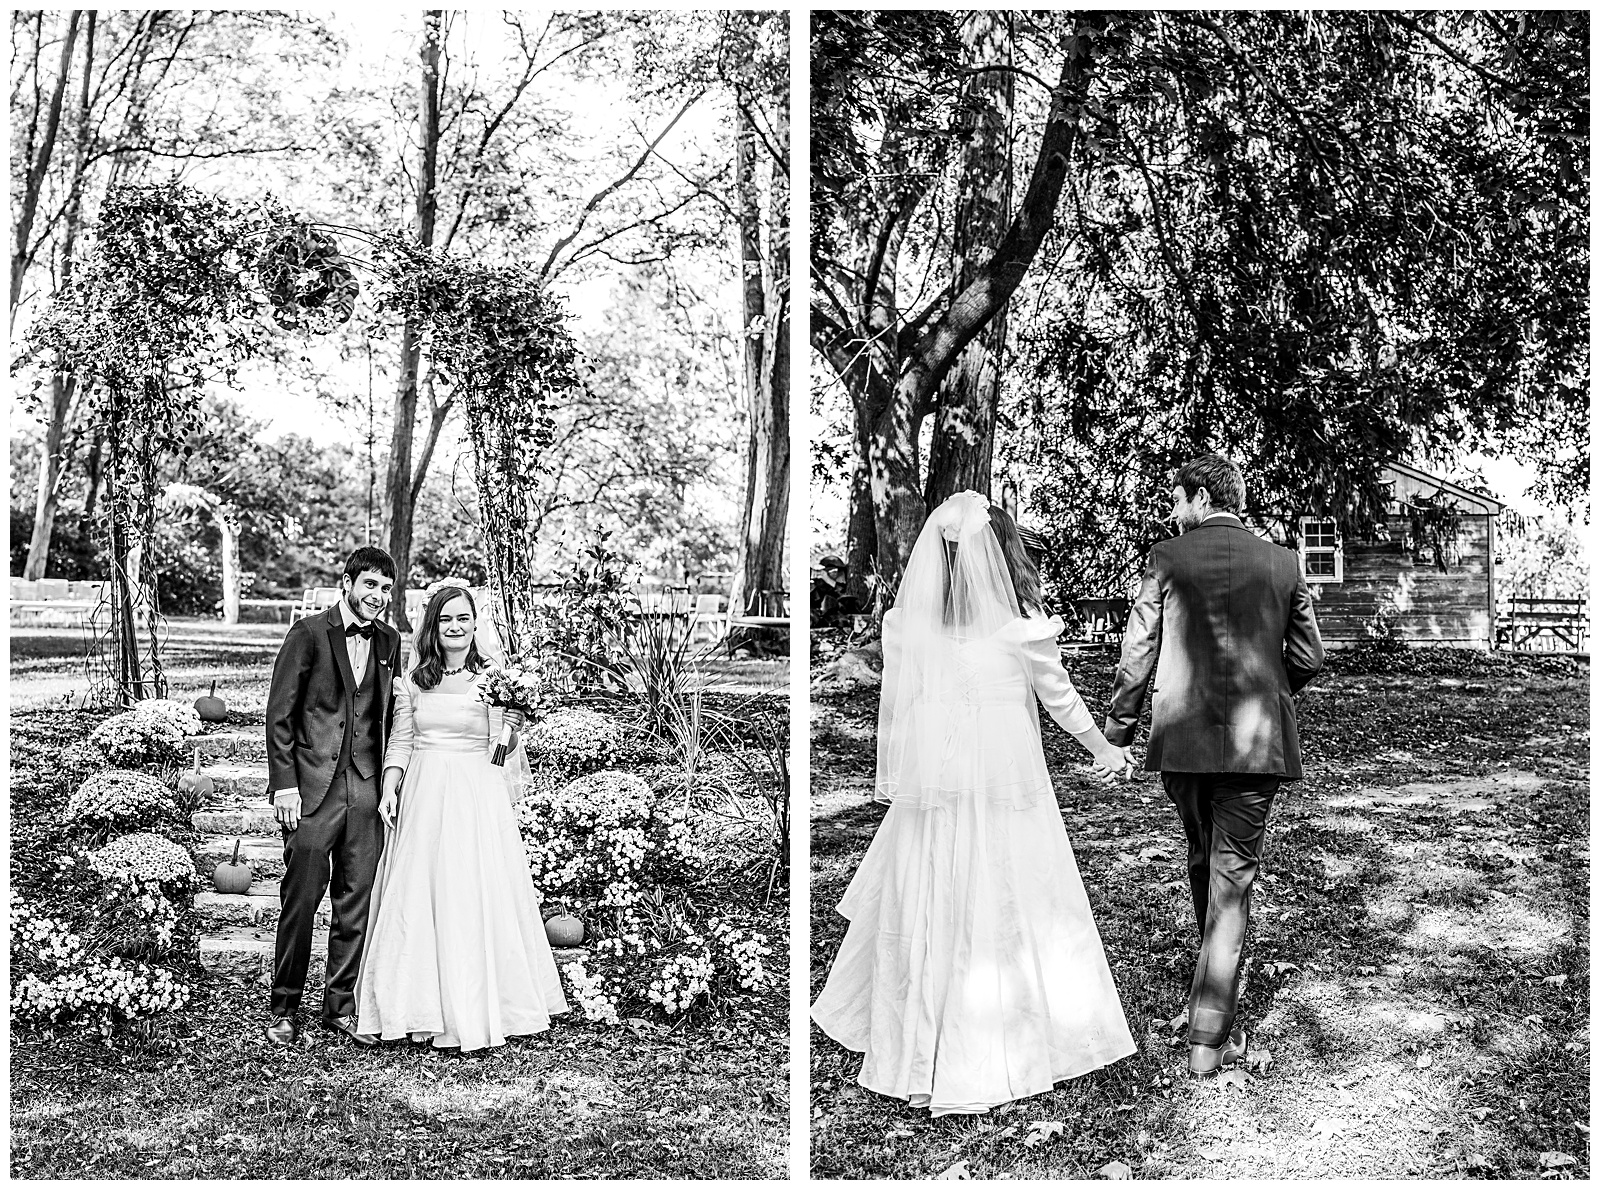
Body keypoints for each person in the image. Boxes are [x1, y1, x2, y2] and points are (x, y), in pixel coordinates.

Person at [811, 491, 1137, 1116]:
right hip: (1005, 784)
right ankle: (999, 1038)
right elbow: (1060, 700)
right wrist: (1104, 750)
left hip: (934, 788)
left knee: (931, 897)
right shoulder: (1021, 629)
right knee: (1009, 892)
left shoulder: (909, 627)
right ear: (1002, 554)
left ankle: (920, 1042)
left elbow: (903, 712)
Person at [1104, 453, 1325, 1074]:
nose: (1173, 513)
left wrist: (1118, 727)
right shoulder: (1282, 562)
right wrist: (1270, 693)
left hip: (1183, 744)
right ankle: (1209, 1025)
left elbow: (1139, 648)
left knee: (1208, 862)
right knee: (1225, 875)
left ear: (1201, 497)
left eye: (1177, 500)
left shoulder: (1166, 560)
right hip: (1255, 749)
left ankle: (1206, 1028)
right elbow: (1308, 654)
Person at [354, 585, 569, 1050]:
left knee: (475, 892)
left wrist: (513, 726)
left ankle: (481, 1005)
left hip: (476, 792)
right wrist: (390, 786)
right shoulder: (413, 681)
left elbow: (502, 750)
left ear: (476, 624)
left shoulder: (495, 680)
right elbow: (402, 741)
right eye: (445, 619)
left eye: (463, 619)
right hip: (426, 791)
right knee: (420, 894)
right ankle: (417, 1004)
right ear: (433, 626)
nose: (455, 627)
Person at [264, 546, 401, 1045]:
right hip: (312, 788)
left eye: (386, 588)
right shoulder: (307, 634)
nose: (378, 597)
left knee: (355, 900)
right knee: (301, 899)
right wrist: (284, 784)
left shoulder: (389, 641)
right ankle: (284, 1006)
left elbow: (387, 715)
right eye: (370, 585)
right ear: (347, 583)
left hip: (366, 787)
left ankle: (339, 1007)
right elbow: (280, 716)